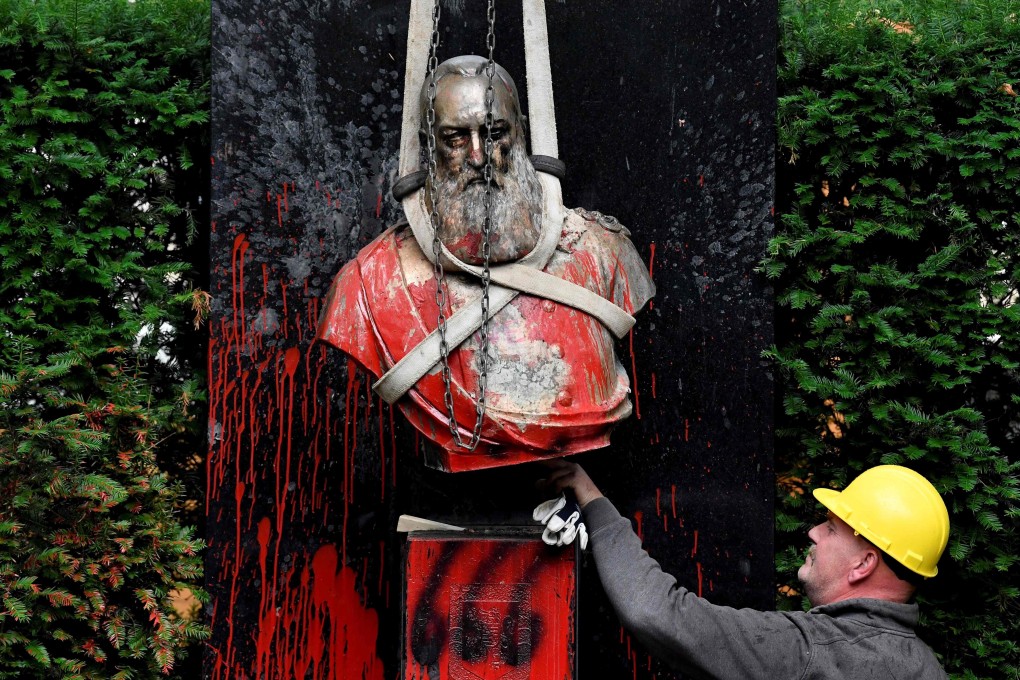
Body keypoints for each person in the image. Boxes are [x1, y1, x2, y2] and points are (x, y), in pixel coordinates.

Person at [316, 56, 654, 471]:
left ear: (522, 133)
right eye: (456, 138)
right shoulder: (369, 285)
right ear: (429, 145)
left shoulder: (604, 252)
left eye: (494, 134)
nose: (479, 156)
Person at [538, 459, 951, 679]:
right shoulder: (926, 670)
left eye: (830, 528)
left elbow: (660, 614)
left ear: (864, 563)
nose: (812, 533)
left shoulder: (811, 653)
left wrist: (590, 497)